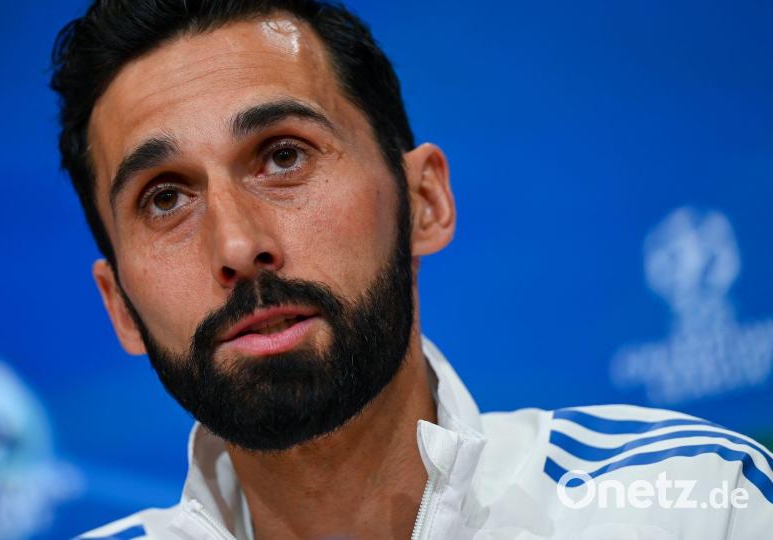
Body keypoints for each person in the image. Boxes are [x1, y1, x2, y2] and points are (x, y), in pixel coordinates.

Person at [49, 1, 773, 538]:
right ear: (120, 307)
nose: (237, 245)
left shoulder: (695, 506)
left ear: (424, 202)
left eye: (283, 156)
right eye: (165, 198)